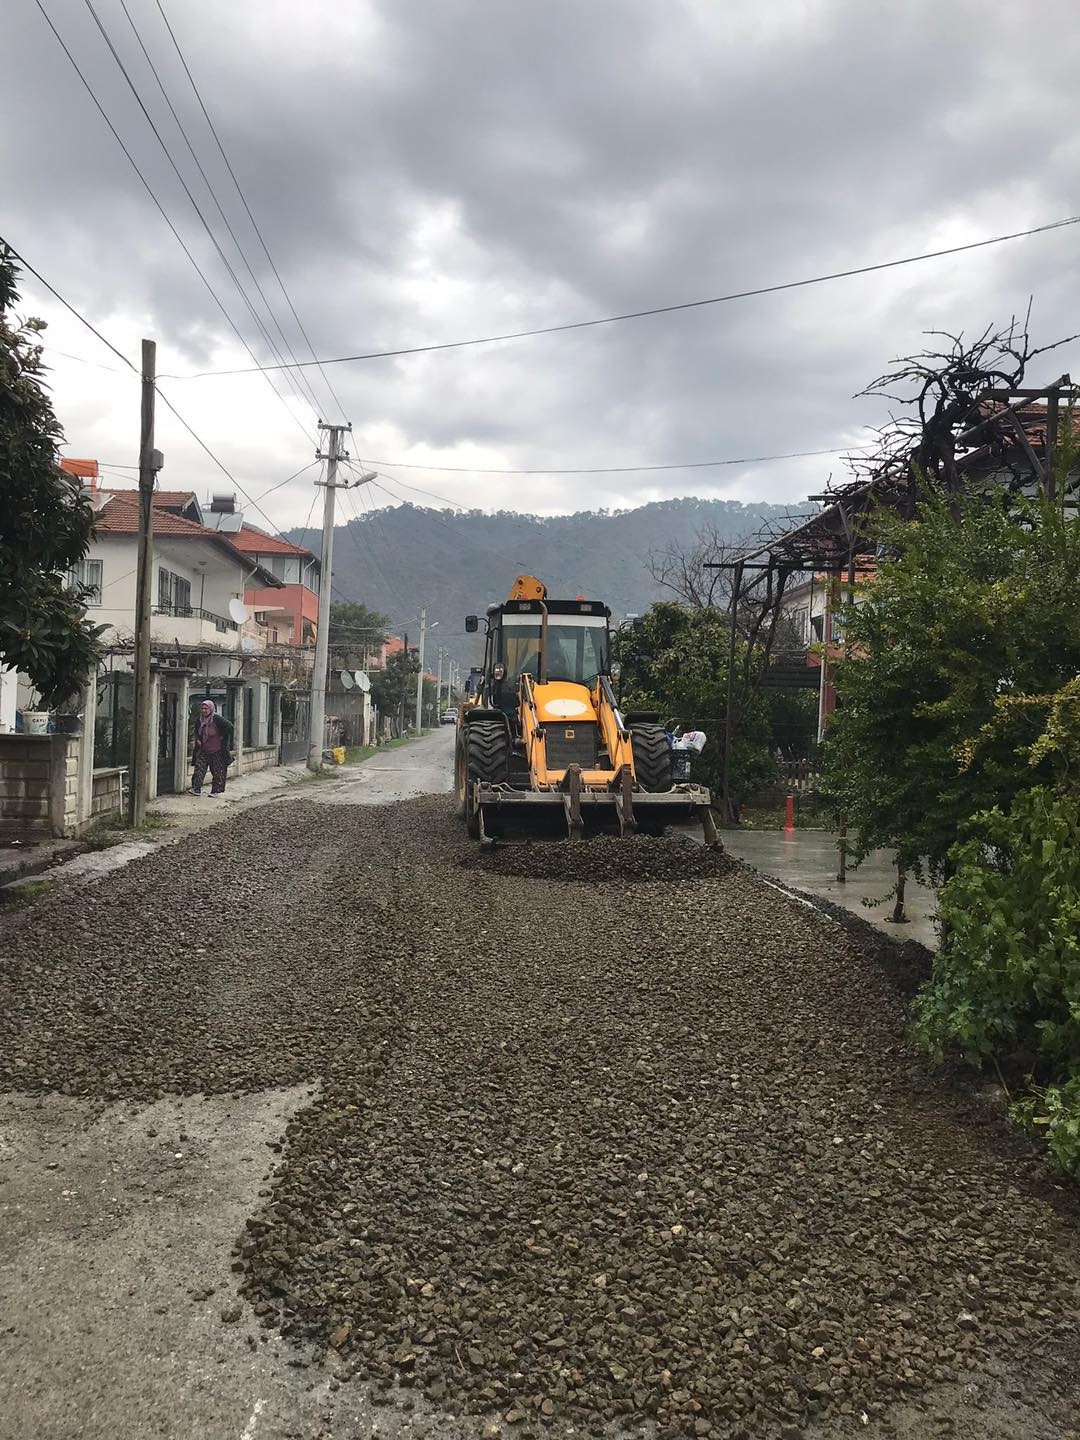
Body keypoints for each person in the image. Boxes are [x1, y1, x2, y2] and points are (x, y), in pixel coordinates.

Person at [191, 700, 233, 796]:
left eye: (206, 708)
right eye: (202, 708)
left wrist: (222, 736)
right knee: (199, 769)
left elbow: (229, 726)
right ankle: (196, 789)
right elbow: (197, 732)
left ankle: (215, 791)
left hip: (217, 750)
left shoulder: (217, 719)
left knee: (217, 771)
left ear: (211, 709)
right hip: (203, 749)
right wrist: (198, 739)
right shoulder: (200, 720)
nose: (204, 711)